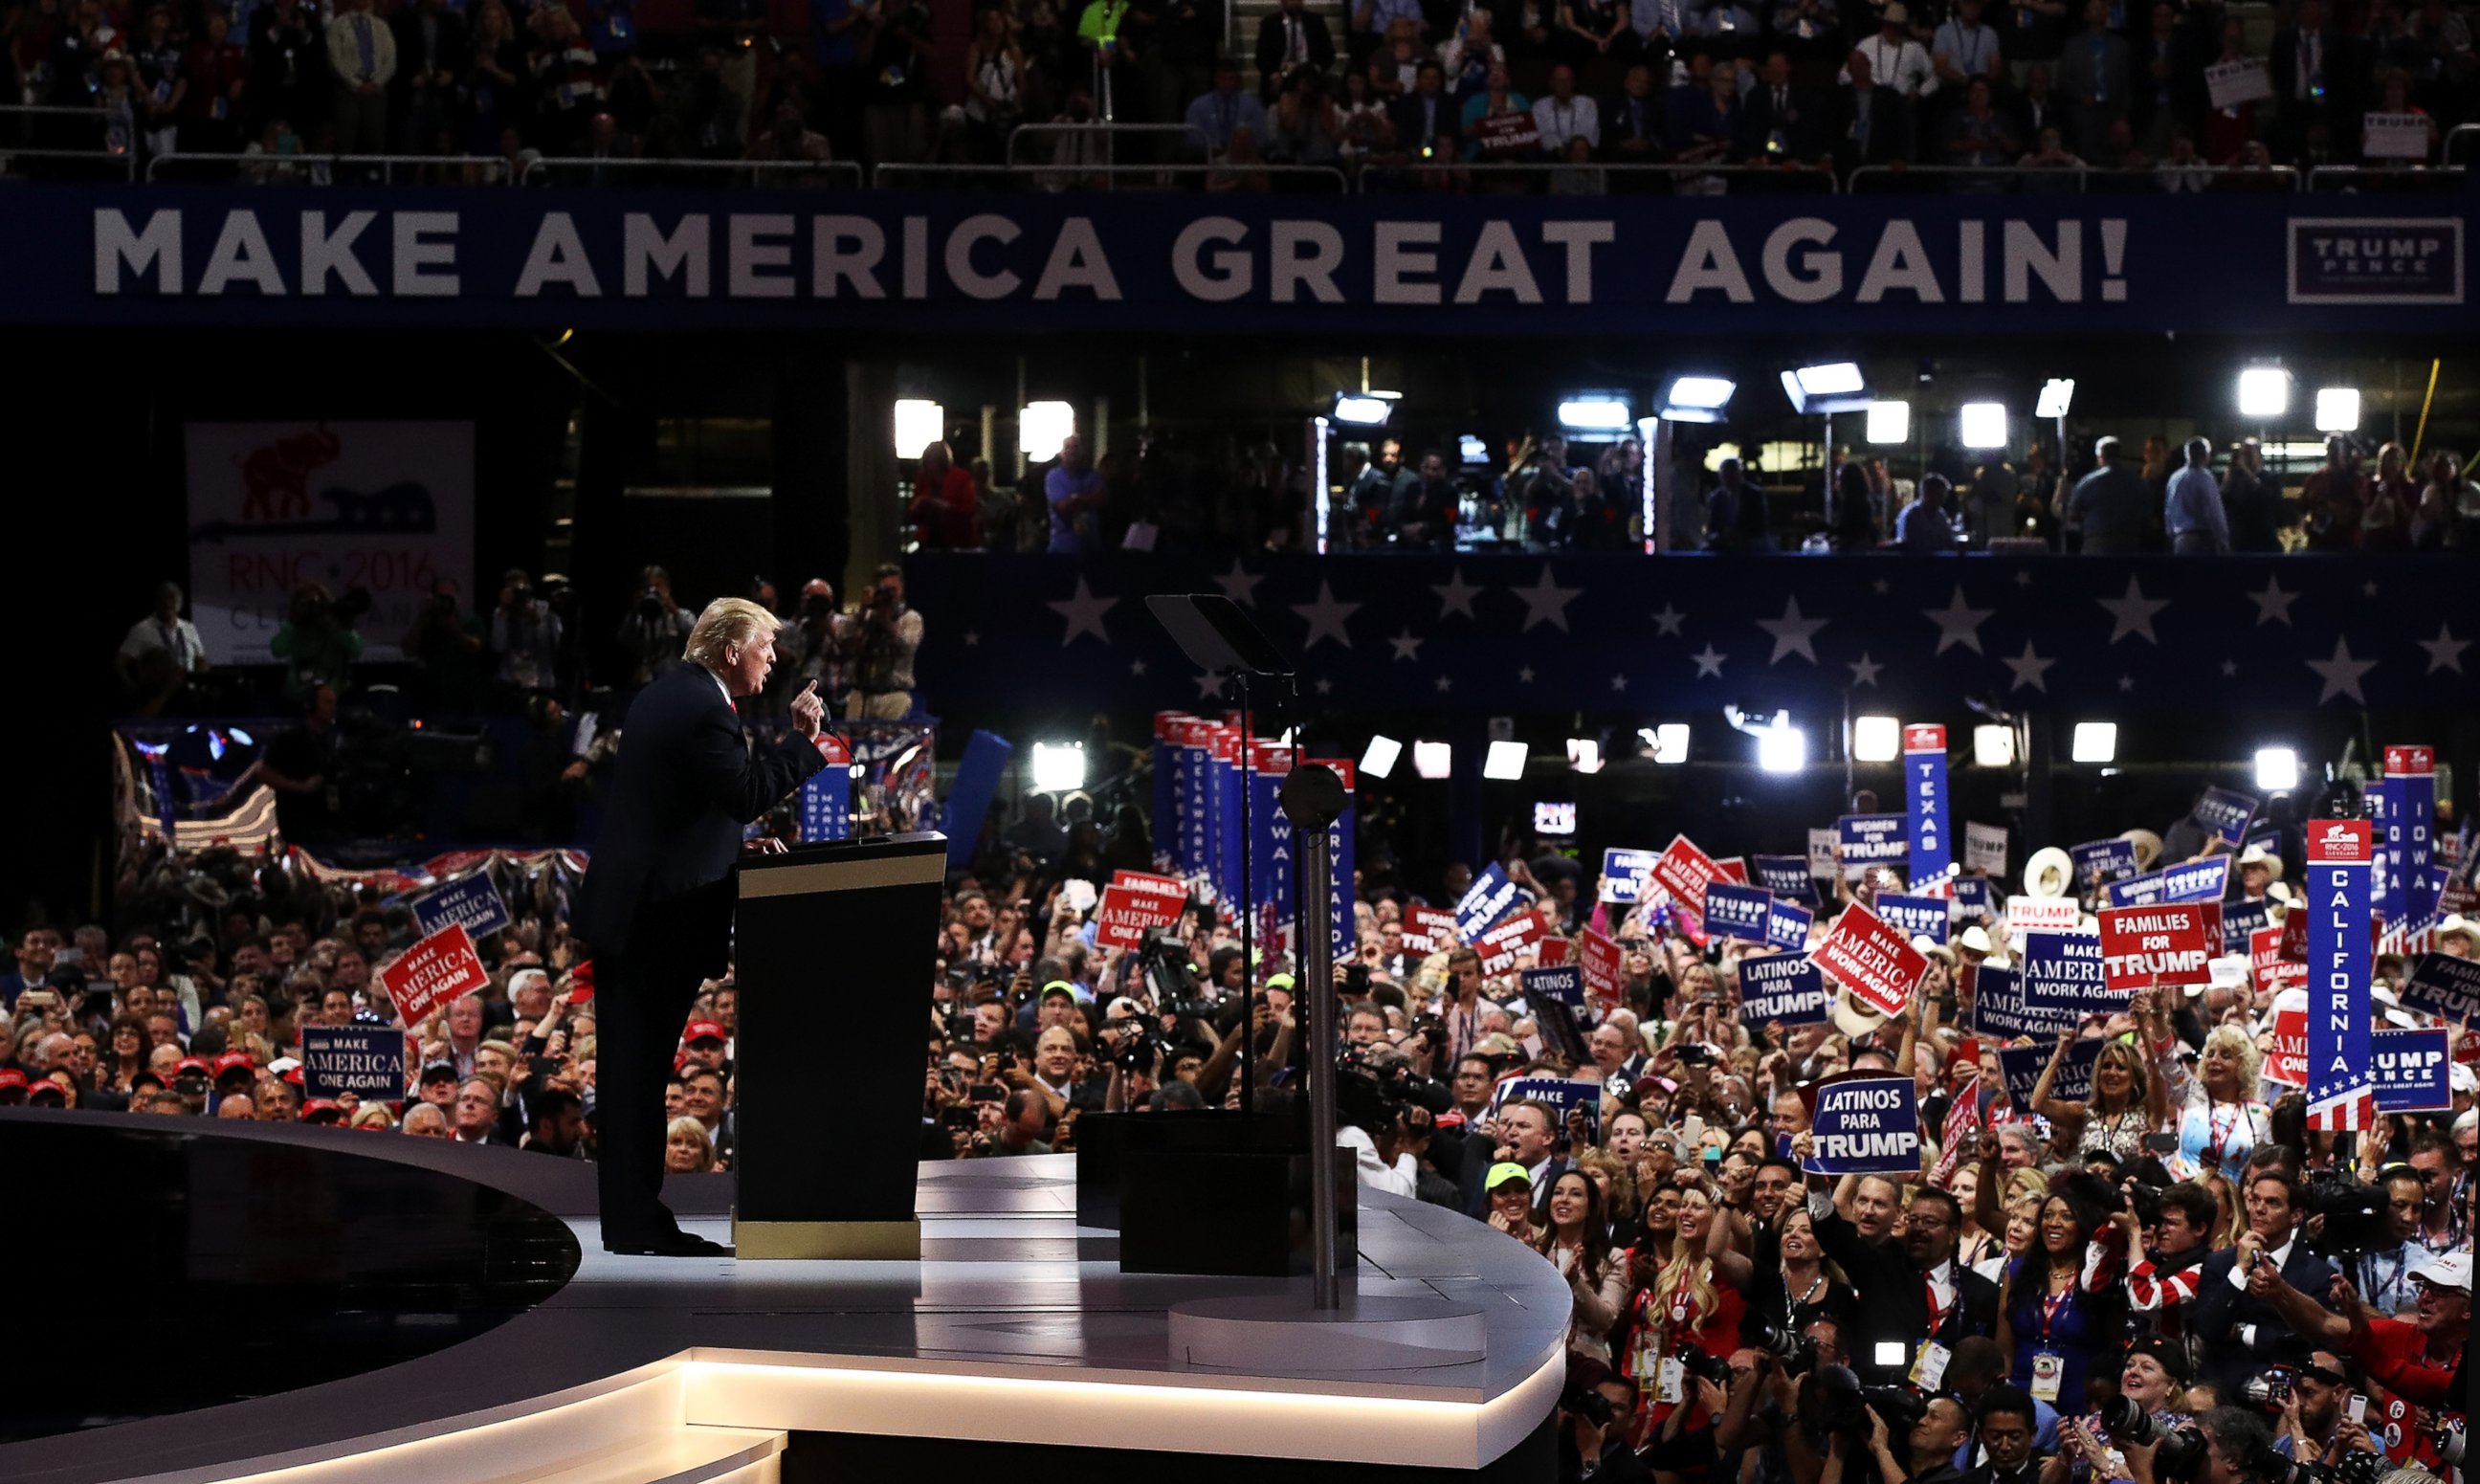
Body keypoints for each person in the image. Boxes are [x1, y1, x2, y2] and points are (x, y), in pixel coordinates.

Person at [573, 597, 830, 1256]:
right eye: (764, 647)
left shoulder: (667, 695)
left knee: (632, 1072)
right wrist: (801, 742)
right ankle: (636, 1223)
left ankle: (632, 1219)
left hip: (639, 909)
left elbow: (681, 812)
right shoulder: (705, 708)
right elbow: (743, 793)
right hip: (656, 920)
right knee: (636, 1073)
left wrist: (737, 853)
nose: (772, 659)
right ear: (728, 650)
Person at [1536, 1168, 1629, 1361]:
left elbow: (1606, 1319)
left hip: (1587, 1363)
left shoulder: (1612, 1258)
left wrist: (1575, 1282)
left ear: (1590, 1208)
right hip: (1538, 1362)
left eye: (1575, 1194)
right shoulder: (1535, 1253)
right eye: (1558, 1192)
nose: (1564, 1199)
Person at [841, 564, 921, 720]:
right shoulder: (866, 616)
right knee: (850, 741)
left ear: (901, 589)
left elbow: (908, 647)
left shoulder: (910, 618)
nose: (888, 595)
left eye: (892, 590)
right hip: (861, 694)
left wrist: (885, 622)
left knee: (889, 743)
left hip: (894, 695)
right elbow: (844, 641)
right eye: (883, 590)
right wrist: (862, 610)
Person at [117, 582, 210, 714]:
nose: (168, 604)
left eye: (173, 599)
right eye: (164, 599)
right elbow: (120, 663)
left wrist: (200, 681)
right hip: (157, 697)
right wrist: (132, 688)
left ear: (180, 604)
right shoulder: (141, 629)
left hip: (187, 694)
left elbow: (201, 659)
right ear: (157, 602)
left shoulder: (189, 628)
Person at [2063, 437, 2150, 553]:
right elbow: (2147, 513)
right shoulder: (2137, 481)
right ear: (2119, 455)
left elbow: (2072, 514)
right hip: (2129, 542)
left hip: (2096, 542)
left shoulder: (2088, 482)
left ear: (2100, 457)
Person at [2161, 437, 2229, 554]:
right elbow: (2214, 512)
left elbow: (2168, 511)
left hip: (2180, 539)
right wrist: (2223, 539)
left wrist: (2172, 536)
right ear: (2206, 455)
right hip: (2203, 540)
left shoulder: (2175, 478)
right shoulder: (2205, 478)